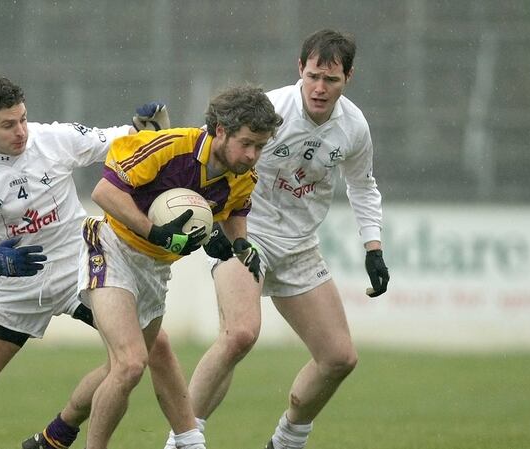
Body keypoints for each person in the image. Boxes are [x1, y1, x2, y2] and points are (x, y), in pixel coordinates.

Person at [0, 74, 172, 449]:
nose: (21, 131)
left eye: (22, 119)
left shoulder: (51, 138)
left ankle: (60, 432)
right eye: (8, 125)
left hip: (80, 265)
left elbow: (125, 142)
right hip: (16, 283)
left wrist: (149, 130)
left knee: (141, 352)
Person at [162, 29, 390, 449]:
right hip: (246, 234)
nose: (320, 88)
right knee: (240, 335)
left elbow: (363, 185)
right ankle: (182, 441)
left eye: (332, 80)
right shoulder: (271, 111)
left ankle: (286, 440)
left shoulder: (354, 127)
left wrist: (372, 247)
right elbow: (209, 151)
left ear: (348, 78)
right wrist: (214, 222)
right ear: (299, 69)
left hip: (300, 245)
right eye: (313, 76)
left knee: (340, 358)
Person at [68, 84, 284, 449]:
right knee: (130, 364)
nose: (252, 155)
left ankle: (60, 431)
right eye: (246, 143)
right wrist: (154, 231)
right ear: (220, 130)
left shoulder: (243, 177)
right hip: (111, 247)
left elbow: (235, 213)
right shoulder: (171, 146)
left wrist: (240, 243)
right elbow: (104, 193)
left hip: (155, 269)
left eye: (260, 147)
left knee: (125, 367)